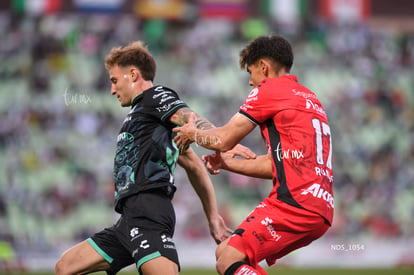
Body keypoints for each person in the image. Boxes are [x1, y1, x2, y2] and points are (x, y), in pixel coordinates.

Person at [55, 41, 254, 275]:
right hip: (127, 219)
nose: (112, 89)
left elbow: (190, 118)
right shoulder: (143, 116)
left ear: (133, 74)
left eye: (115, 81)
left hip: (149, 213)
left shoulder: (155, 96)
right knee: (65, 267)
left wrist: (220, 142)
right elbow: (193, 165)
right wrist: (213, 217)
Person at [174, 35, 334, 275]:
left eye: (251, 72)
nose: (250, 82)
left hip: (294, 202)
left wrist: (193, 133)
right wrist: (227, 163)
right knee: (227, 252)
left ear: (263, 67)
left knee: (227, 260)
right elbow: (276, 165)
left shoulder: (270, 90)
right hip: (320, 207)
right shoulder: (310, 99)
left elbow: (225, 138)